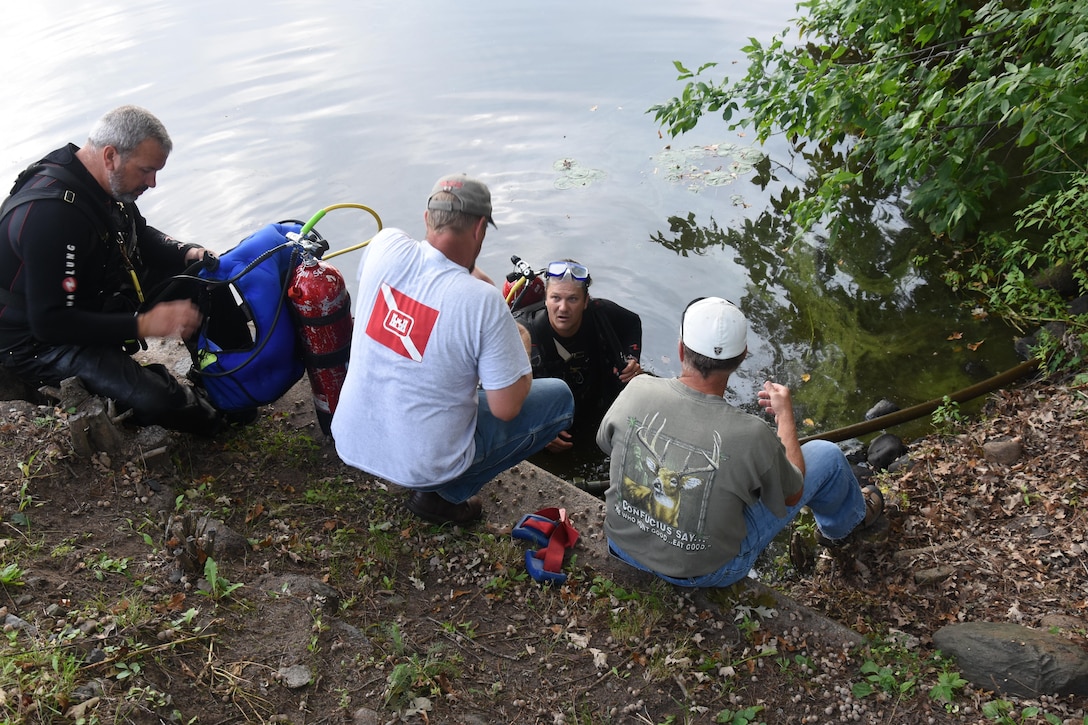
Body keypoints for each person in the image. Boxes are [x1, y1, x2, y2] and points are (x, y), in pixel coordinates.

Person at [331, 174, 575, 525]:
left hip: (352, 439)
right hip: (423, 468)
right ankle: (445, 496)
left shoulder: (385, 245)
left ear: (427, 218)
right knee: (559, 398)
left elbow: (433, 267)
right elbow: (508, 408)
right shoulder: (484, 303)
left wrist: (469, 272)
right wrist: (517, 342)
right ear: (480, 229)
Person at [596, 297, 884, 588]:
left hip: (622, 547)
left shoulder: (637, 388)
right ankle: (844, 527)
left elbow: (607, 444)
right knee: (827, 455)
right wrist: (785, 418)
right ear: (741, 357)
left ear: (681, 348)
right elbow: (793, 493)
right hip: (703, 573)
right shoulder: (753, 433)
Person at [0, 105, 222, 434]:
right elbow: (51, 324)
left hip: (92, 297)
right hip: (37, 340)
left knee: (201, 275)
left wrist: (187, 251)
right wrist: (142, 324)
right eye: (146, 171)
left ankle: (223, 380)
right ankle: (208, 411)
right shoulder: (52, 215)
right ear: (110, 156)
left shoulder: (100, 180)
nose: (153, 182)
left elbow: (139, 234)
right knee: (159, 401)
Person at [520, 260, 642, 453]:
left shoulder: (600, 313)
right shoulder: (523, 333)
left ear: (586, 301)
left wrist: (631, 358)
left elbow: (632, 324)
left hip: (596, 405)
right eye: (556, 298)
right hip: (548, 421)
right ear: (545, 298)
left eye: (572, 299)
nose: (563, 308)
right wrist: (535, 430)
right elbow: (497, 396)